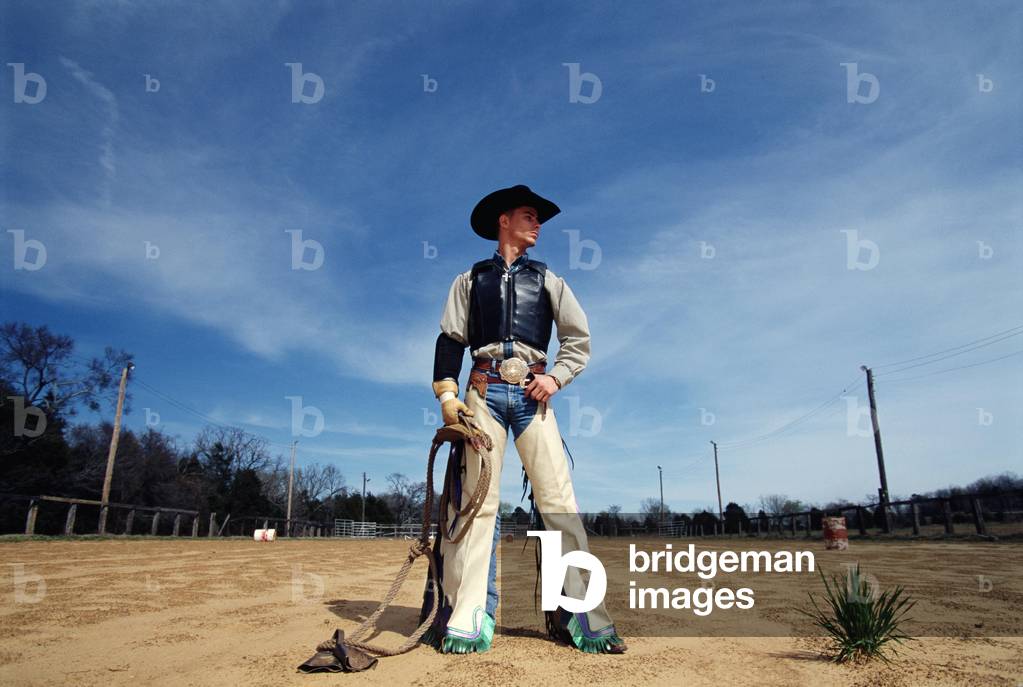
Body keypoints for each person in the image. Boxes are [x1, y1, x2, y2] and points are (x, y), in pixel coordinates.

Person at [420, 184, 626, 654]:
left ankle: (584, 619)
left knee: (558, 499)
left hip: (534, 395)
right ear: (504, 220)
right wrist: (448, 394)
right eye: (529, 215)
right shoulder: (469, 280)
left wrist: (556, 377)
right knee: (476, 503)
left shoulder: (550, 280)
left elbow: (577, 339)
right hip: (483, 392)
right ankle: (469, 617)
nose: (537, 225)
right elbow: (450, 339)